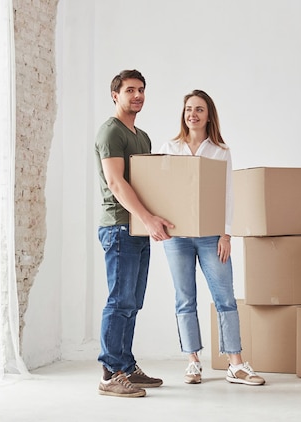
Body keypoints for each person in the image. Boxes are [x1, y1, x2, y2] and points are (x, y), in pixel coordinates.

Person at [159, 90, 265, 386]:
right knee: (185, 299)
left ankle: (236, 364)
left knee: (225, 298)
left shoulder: (220, 151)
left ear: (209, 115)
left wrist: (226, 234)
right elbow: (162, 190)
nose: (193, 114)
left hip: (210, 236)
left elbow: (228, 195)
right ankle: (193, 361)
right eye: (189, 109)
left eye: (199, 109)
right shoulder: (170, 147)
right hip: (177, 236)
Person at [94, 69, 174, 398]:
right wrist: (146, 218)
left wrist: (157, 217)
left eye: (141, 90)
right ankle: (110, 373)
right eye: (130, 90)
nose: (137, 95)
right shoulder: (111, 132)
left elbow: (146, 183)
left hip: (138, 228)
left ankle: (126, 367)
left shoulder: (142, 137)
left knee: (132, 302)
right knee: (119, 300)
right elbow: (116, 182)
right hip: (118, 226)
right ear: (115, 95)